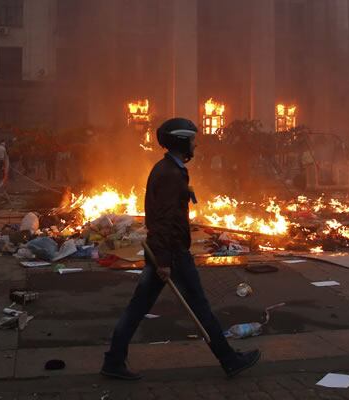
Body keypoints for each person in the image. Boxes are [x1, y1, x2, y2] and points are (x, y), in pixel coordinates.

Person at [101, 118, 260, 380]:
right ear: (182, 141)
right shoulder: (170, 174)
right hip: (172, 254)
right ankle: (229, 359)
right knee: (199, 306)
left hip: (165, 252)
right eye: (192, 139)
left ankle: (114, 360)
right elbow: (163, 221)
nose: (195, 144)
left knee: (139, 307)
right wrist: (164, 261)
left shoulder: (169, 170)